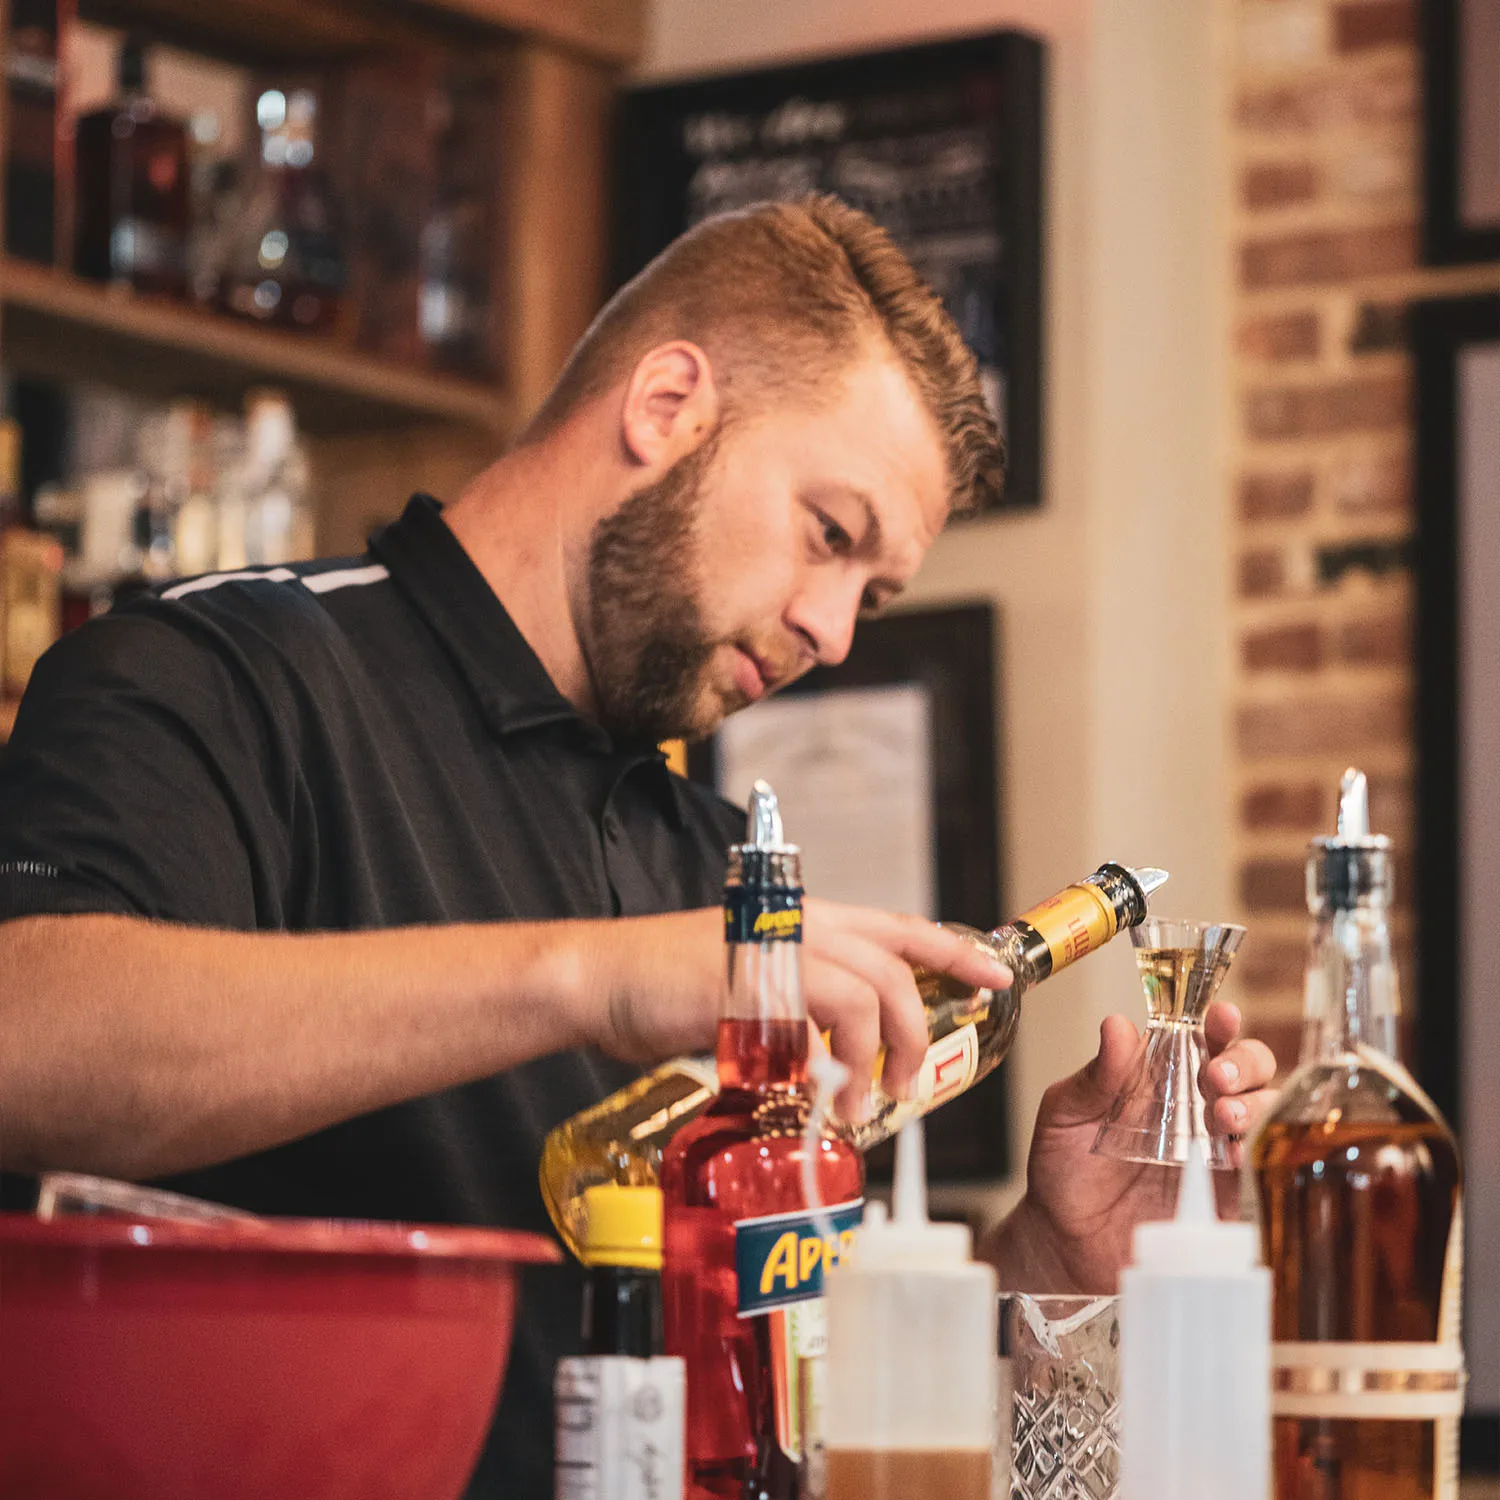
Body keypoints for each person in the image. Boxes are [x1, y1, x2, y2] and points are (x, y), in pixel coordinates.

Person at [0, 197, 1275, 1497]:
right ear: (666, 404)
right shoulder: (222, 674)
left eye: (873, 595)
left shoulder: (715, 861)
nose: (834, 629)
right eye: (830, 536)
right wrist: (590, 980)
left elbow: (788, 1399)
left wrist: (1050, 1262)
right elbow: (27, 1038)